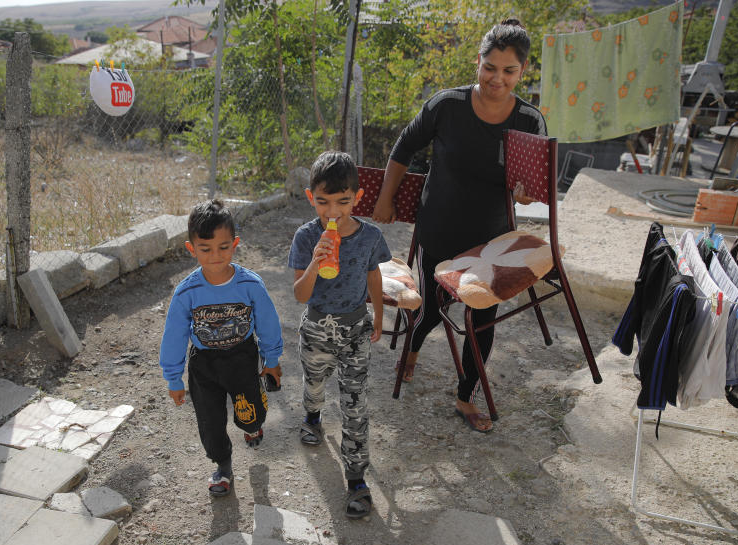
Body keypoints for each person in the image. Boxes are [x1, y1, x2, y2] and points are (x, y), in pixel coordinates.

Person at [372, 18, 545, 434]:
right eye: (490, 67)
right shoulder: (446, 105)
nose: (497, 78)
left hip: (492, 242)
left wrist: (524, 194)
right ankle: (411, 352)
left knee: (479, 320)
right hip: (440, 231)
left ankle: (465, 396)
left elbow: (531, 189)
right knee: (430, 310)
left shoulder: (528, 121)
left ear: (522, 72)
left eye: (508, 71)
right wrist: (385, 197)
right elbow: (404, 147)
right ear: (478, 62)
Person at [288, 150, 392, 518]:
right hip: (316, 327)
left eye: (343, 202)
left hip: (355, 329)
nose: (333, 212)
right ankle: (312, 417)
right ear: (310, 198)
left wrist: (378, 313)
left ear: (358, 198)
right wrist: (317, 261)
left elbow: (374, 275)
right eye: (323, 202)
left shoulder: (370, 237)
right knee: (315, 385)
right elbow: (300, 294)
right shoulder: (305, 237)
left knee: (355, 404)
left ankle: (356, 479)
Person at [159, 200, 283, 497]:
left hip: (242, 358)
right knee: (210, 422)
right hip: (205, 365)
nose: (215, 256)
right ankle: (223, 467)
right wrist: (174, 378)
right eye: (205, 249)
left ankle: (253, 427)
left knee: (251, 412)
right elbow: (174, 335)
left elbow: (267, 323)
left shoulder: (250, 285)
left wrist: (272, 359)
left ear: (235, 245)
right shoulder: (186, 292)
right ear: (192, 249)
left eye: (223, 247)